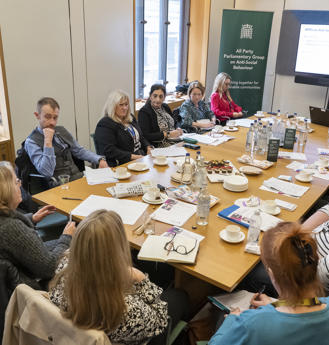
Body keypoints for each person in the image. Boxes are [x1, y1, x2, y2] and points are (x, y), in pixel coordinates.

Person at [49, 209, 189, 345]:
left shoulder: (64, 268)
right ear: (117, 250)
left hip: (72, 332)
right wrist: (142, 280)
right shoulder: (124, 309)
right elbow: (159, 321)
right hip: (129, 334)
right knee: (179, 296)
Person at [209, 222, 329, 345]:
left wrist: (231, 320)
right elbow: (307, 306)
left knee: (221, 317)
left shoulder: (250, 323)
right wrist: (275, 305)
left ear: (272, 274)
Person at [0, 161, 75, 290]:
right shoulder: (12, 229)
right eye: (16, 181)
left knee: (70, 243)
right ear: (6, 190)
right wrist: (67, 237)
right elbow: (49, 268)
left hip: (21, 278)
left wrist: (31, 218)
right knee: (79, 247)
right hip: (33, 289)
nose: (20, 184)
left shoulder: (5, 219)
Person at [24, 97, 108, 185]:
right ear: (37, 115)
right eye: (48, 117)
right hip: (58, 184)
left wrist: (99, 159)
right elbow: (47, 172)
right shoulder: (31, 141)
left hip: (78, 177)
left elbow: (79, 151)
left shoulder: (62, 130)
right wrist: (48, 142)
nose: (52, 122)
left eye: (55, 118)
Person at [95, 90, 153, 166]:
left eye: (126, 104)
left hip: (140, 158)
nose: (125, 108)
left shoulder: (130, 117)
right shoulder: (105, 123)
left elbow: (141, 137)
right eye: (121, 105)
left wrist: (148, 147)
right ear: (113, 106)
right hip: (123, 163)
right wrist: (133, 157)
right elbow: (109, 150)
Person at [302, 198, 329, 298]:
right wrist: (297, 235)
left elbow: (326, 273)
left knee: (259, 271)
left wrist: (287, 256)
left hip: (323, 290)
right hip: (304, 252)